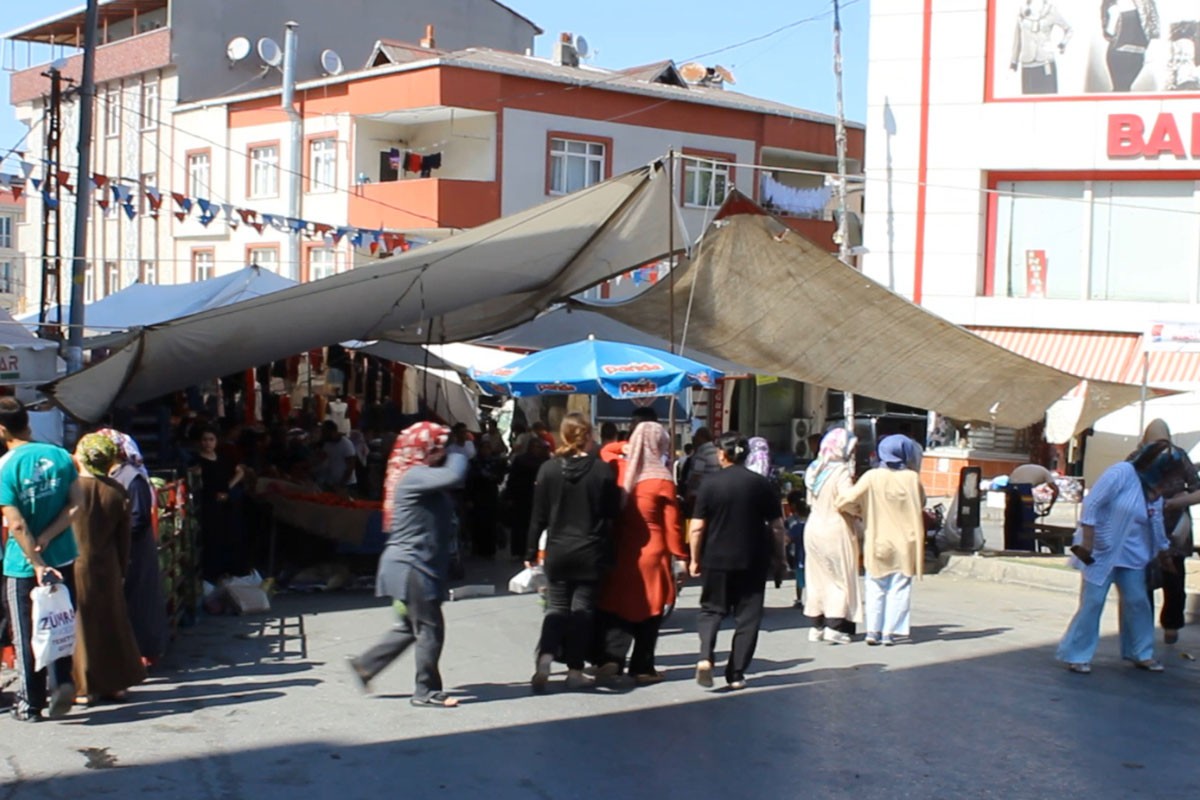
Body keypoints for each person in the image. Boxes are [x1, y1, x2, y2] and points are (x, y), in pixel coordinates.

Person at [348, 422, 468, 707]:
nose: (442, 451)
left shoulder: (420, 475)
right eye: (438, 446)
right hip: (412, 565)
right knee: (430, 627)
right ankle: (425, 691)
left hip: (414, 563)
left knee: (409, 627)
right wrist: (458, 449)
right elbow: (456, 473)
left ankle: (366, 665)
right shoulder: (414, 476)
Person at [1058, 440, 1185, 674]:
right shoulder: (1122, 473)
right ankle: (1077, 654)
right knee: (1093, 602)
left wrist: (1163, 551)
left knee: (1138, 601)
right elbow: (1093, 503)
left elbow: (1155, 522)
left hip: (1133, 556)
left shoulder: (1153, 490)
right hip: (1100, 552)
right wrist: (1087, 540)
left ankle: (1141, 652)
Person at [0, 398, 83, 721]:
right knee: (60, 622)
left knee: (25, 632)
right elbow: (76, 505)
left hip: (23, 566)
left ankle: (30, 703)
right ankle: (62, 681)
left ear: (3, 429)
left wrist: (36, 560)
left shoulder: (6, 466)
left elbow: (17, 524)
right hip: (63, 557)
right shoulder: (60, 456)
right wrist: (50, 536)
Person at [528, 413, 620, 692]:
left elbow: (538, 516)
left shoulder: (548, 469)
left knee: (556, 609)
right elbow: (612, 512)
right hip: (590, 551)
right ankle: (575, 670)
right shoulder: (603, 470)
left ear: (563, 436)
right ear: (589, 435)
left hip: (558, 550)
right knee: (582, 611)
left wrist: (530, 549)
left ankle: (544, 659)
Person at [688, 433, 786, 690]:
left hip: (715, 558)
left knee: (711, 610)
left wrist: (694, 559)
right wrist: (780, 558)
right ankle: (736, 673)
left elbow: (697, 527)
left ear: (723, 454)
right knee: (748, 617)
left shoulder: (710, 484)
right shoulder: (761, 484)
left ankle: (705, 657)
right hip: (752, 559)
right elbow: (777, 527)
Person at [596, 422, 687, 684]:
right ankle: (642, 666)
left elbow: (605, 451)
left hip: (623, 547)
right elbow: (672, 525)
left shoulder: (622, 470)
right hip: (654, 550)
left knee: (619, 604)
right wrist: (680, 555)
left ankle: (612, 658)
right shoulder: (662, 479)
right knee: (651, 609)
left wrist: (625, 446)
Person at [71, 434, 147, 704]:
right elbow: (124, 538)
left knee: (83, 625)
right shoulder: (116, 491)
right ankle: (116, 684)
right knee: (112, 622)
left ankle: (83, 688)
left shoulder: (70, 489)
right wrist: (122, 567)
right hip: (109, 564)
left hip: (77, 564)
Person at [838, 435, 926, 646]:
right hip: (906, 543)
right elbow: (921, 502)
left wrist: (859, 511)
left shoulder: (872, 476)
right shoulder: (912, 478)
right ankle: (889, 632)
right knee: (899, 588)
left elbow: (845, 500)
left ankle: (872, 631)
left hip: (878, 541)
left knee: (875, 586)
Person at [102, 429, 168, 666]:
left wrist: (114, 532)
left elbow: (139, 517)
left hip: (136, 550)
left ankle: (146, 652)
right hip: (127, 549)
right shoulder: (118, 475)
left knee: (141, 602)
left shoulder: (132, 477)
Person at [1135, 420, 1198, 645]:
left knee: (1147, 580)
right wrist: (1175, 502)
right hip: (1168, 527)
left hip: (1152, 527)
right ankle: (1170, 627)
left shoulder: (1137, 456)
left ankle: (1149, 630)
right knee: (1173, 579)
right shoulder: (1178, 456)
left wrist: (1172, 503)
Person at [802, 428, 863, 645]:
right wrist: (860, 510)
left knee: (817, 577)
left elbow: (810, 500)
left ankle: (816, 625)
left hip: (814, 527)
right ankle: (835, 626)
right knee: (840, 577)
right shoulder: (841, 472)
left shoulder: (815, 468)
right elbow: (847, 500)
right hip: (836, 527)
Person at [194, 426, 247, 582]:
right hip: (209, 503)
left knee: (229, 535)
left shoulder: (223, 458)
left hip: (226, 503)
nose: (208, 443)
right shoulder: (198, 461)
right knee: (212, 538)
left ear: (216, 441)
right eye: (205, 440)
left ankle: (228, 571)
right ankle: (212, 574)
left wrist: (227, 488)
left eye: (211, 440)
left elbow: (240, 471)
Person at [1010, 0, 1073, 95]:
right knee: (1028, 103)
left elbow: (1069, 29)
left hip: (1045, 64)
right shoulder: (1022, 11)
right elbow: (1017, 38)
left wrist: (1062, 45)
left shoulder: (1051, 10)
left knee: (1048, 103)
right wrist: (1013, 61)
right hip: (1027, 65)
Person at [503, 435, 548, 560]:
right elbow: (512, 479)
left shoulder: (544, 461)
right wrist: (510, 496)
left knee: (533, 525)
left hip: (536, 497)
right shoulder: (520, 460)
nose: (537, 449)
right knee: (519, 526)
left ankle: (531, 551)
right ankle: (518, 551)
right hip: (521, 496)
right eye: (535, 446)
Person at [1103, 0, 1159, 92]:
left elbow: (1154, 28)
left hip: (1137, 53)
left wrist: (1152, 50)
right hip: (1119, 52)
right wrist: (1113, 15)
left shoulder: (1147, 2)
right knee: (1120, 89)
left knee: (1124, 89)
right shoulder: (1110, 2)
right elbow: (1109, 33)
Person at [683, 427, 719, 516]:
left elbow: (696, 474)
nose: (694, 439)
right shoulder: (717, 451)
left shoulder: (702, 453)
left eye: (695, 436)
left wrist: (688, 491)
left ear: (701, 437)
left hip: (699, 493)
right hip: (714, 492)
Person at [317, 419, 358, 491]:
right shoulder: (327, 443)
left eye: (324, 433)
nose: (323, 435)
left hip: (346, 484)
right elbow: (322, 458)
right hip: (331, 483)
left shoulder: (346, 444)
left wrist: (341, 484)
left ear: (332, 432)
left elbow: (350, 467)